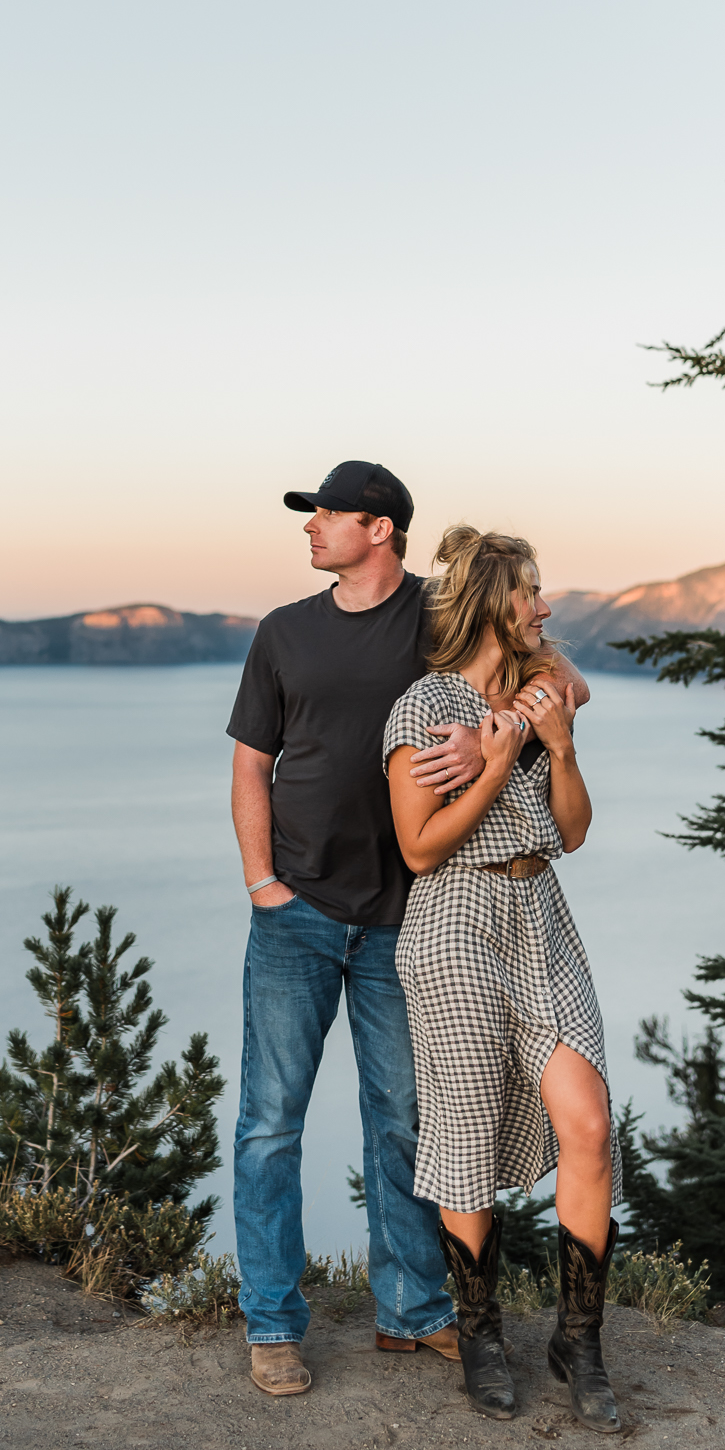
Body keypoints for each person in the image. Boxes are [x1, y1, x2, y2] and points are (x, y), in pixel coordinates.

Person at [226, 460, 589, 1398]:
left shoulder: (440, 615)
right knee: (271, 1124)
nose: (310, 527)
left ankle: (413, 1314)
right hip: (297, 911)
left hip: (404, 918)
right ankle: (273, 1324)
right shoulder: (283, 633)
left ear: (379, 528)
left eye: (326, 514)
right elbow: (250, 765)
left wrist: (493, 728)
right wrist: (262, 881)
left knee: (407, 1125)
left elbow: (566, 680)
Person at [383, 525, 622, 1432]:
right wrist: (486, 766)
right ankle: (480, 1335)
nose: (546, 608)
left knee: (589, 1121)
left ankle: (580, 1341)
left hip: (542, 915)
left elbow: (574, 831)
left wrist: (551, 742)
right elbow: (417, 845)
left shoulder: (532, 696)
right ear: (497, 606)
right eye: (532, 595)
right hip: (454, 921)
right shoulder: (418, 711)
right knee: (469, 1128)